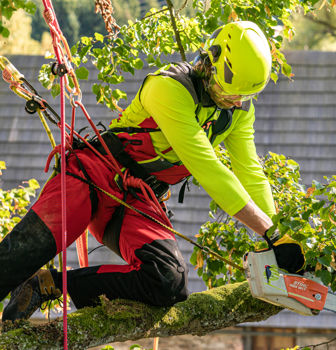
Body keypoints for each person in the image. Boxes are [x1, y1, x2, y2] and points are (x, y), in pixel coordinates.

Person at [0, 21, 304, 322]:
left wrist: (278, 239)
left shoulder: (237, 113)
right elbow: (207, 167)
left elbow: (250, 171)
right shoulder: (168, 88)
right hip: (93, 174)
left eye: (240, 98)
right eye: (228, 95)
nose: (234, 103)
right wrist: (271, 231)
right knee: (24, 253)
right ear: (210, 64)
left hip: (138, 197)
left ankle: (48, 285)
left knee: (167, 281)